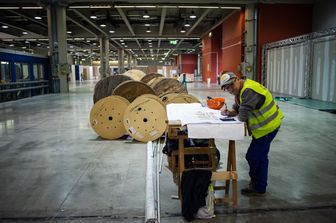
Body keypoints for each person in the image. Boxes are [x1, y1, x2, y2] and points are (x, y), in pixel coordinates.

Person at [219, 71, 284, 196]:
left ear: (237, 80)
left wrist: (234, 114)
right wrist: (229, 112)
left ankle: (257, 185)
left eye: (231, 85)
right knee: (261, 157)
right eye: (226, 88)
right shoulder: (242, 89)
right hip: (264, 128)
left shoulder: (248, 91)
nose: (230, 89)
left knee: (253, 156)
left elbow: (242, 116)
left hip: (267, 127)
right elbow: (238, 108)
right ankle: (260, 186)